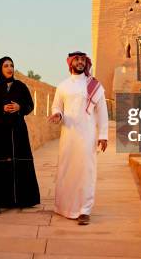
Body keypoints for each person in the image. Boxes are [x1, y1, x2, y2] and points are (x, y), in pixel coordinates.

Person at [47, 51, 109, 225]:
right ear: (71, 63)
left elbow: (102, 111)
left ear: (86, 63)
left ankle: (84, 210)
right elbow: (57, 106)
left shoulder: (94, 85)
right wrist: (57, 115)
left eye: (83, 60)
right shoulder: (63, 86)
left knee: (86, 171)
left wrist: (103, 135)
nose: (80, 62)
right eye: (77, 60)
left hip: (87, 134)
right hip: (68, 134)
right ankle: (63, 207)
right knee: (67, 170)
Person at [0, 56, 40, 215]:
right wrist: (1, 109)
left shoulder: (21, 87)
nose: (9, 68)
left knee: (19, 164)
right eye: (6, 65)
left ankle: (23, 199)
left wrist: (19, 107)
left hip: (18, 132)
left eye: (12, 65)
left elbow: (30, 105)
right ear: (0, 68)